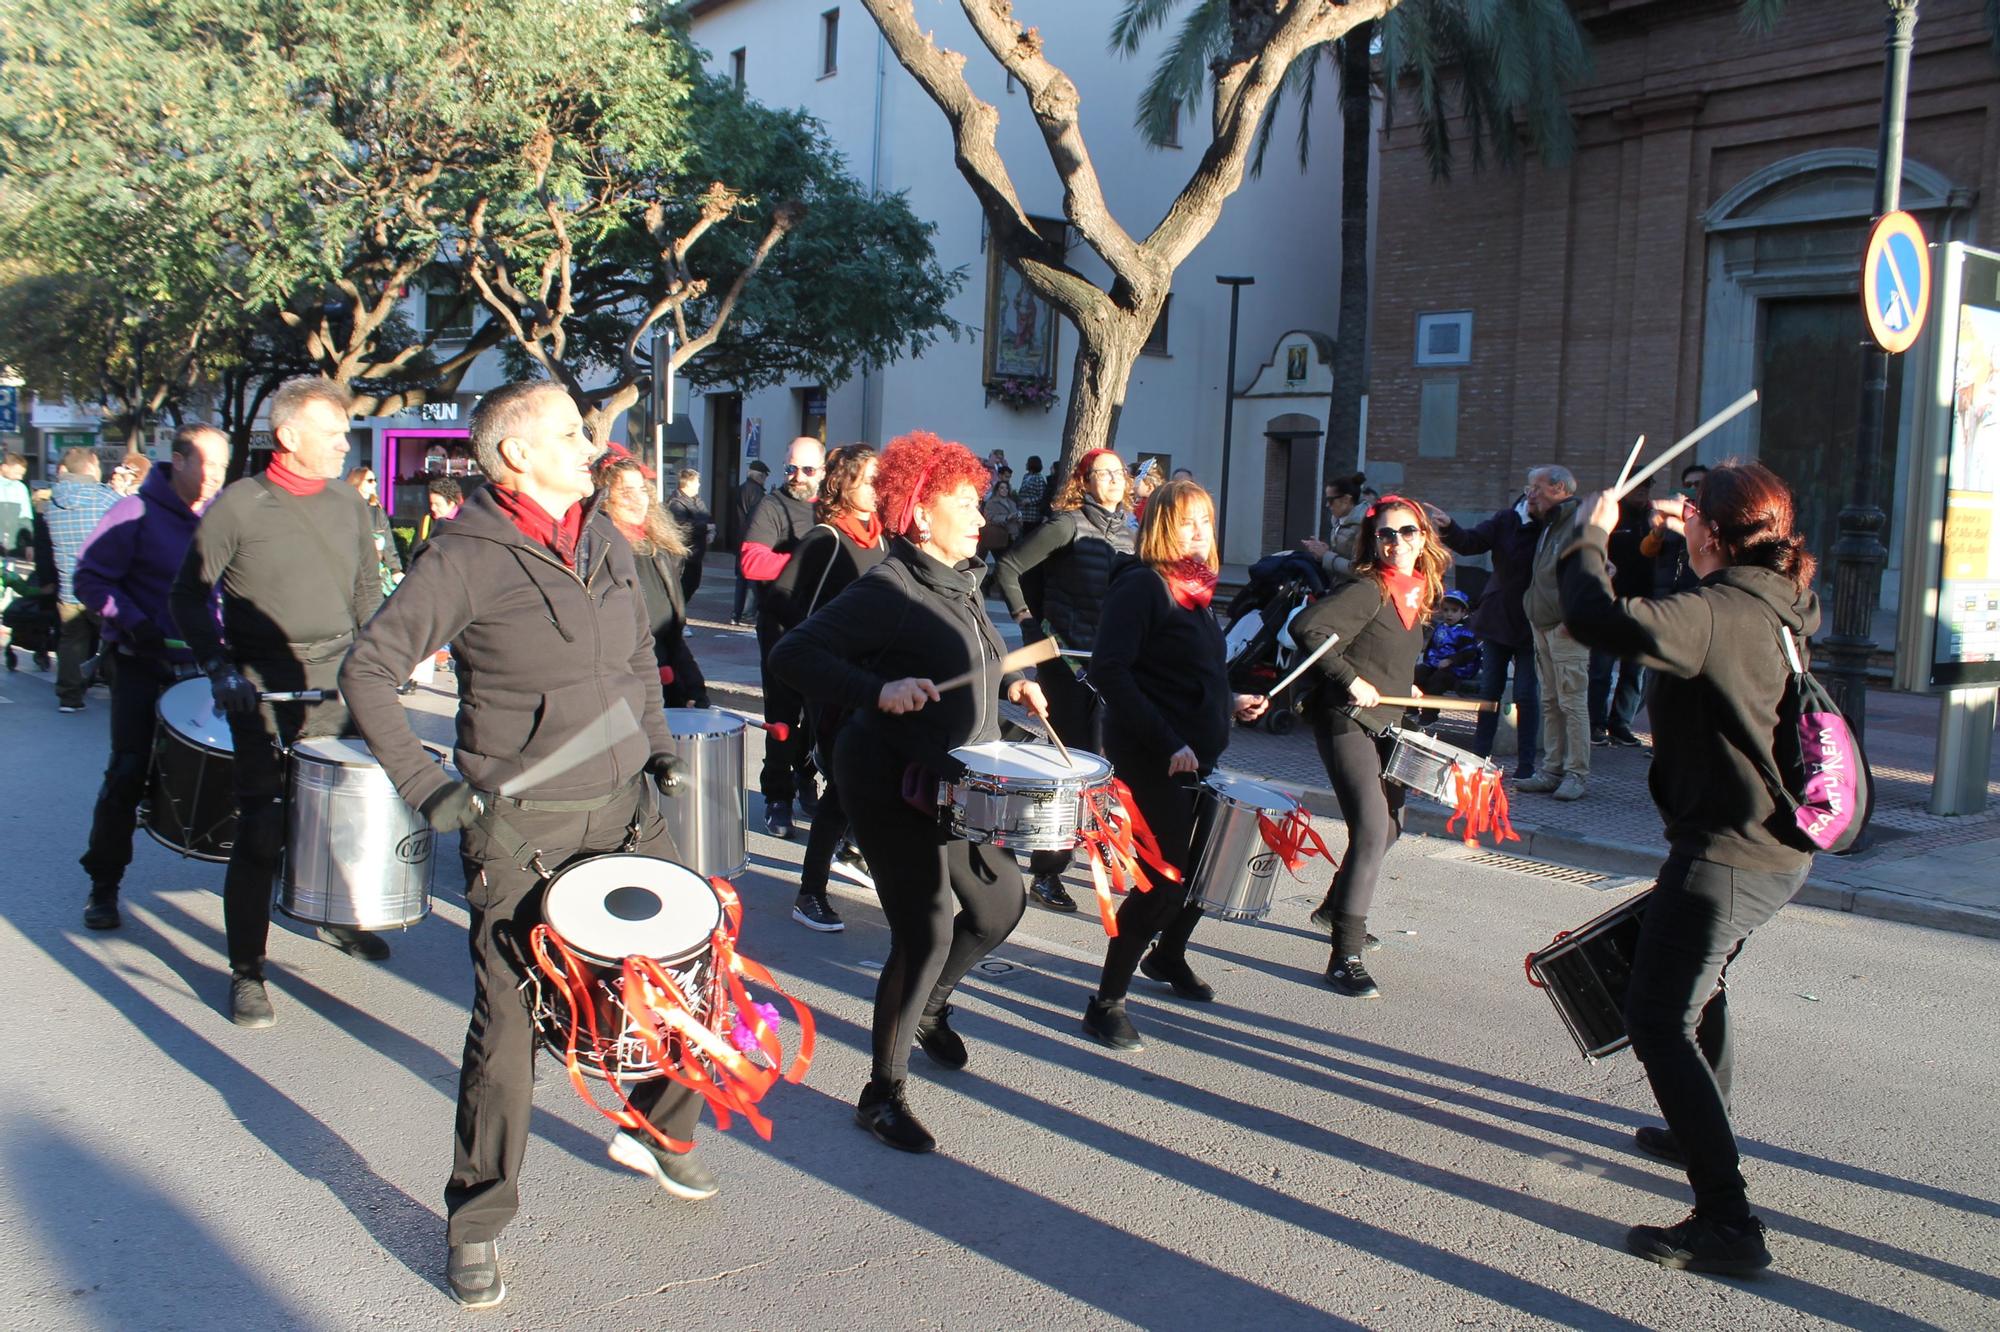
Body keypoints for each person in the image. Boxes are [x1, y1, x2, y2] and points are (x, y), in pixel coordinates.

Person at [340, 380, 702, 1310]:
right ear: (513, 457)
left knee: (683, 971)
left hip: (626, 806)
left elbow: (634, 664)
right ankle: (476, 1220)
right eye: (571, 436)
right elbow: (369, 671)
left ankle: (656, 1126)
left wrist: (658, 751)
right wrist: (428, 788)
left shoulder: (603, 537)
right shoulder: (464, 556)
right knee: (508, 1032)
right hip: (520, 827)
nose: (591, 448)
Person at [1558, 460, 1819, 1276]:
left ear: (1713, 531)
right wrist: (1688, 540)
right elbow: (1694, 622)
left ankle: (1729, 1222)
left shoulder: (1719, 611)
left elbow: (1599, 620)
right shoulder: (1774, 598)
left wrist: (1590, 537)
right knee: (1693, 990)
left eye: (1696, 516)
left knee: (1657, 1019)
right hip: (1760, 848)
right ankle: (1693, 1124)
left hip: (1729, 855)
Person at [770, 430, 1045, 1155]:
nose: (981, 518)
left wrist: (1010, 684)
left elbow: (974, 662)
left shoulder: (961, 578)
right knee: (924, 932)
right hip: (890, 780)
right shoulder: (889, 587)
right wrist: (876, 688)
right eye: (966, 504)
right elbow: (793, 653)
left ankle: (929, 1009)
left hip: (954, 778)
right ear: (922, 514)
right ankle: (880, 1094)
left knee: (998, 905)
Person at [169, 376, 388, 1028]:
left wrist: (375, 665)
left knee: (338, 823)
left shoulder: (350, 507)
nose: (345, 445)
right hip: (261, 688)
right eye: (333, 434)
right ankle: (247, 970)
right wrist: (217, 669)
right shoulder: (238, 506)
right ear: (290, 437)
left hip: (336, 684)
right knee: (262, 833)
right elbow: (188, 596)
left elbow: (366, 594)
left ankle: (336, 919)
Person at [1080, 479, 1267, 1051]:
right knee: (1164, 881)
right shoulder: (1142, 586)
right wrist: (1166, 741)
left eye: (1205, 522)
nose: (1199, 533)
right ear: (1161, 527)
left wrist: (1230, 699)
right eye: (1187, 523)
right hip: (1154, 758)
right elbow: (1110, 671)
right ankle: (1106, 1001)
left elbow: (1188, 672)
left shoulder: (1197, 591)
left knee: (1203, 872)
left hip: (1198, 756)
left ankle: (1169, 957)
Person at [1291, 494, 1450, 1000]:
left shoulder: (1417, 590)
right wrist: (1350, 678)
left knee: (1393, 824)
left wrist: (1408, 684)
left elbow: (1387, 652)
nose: (1397, 542)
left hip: (1387, 719)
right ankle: (1345, 955)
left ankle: (1335, 906)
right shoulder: (1367, 587)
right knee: (1371, 826)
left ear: (1423, 537)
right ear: (1372, 539)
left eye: (1406, 532)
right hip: (1344, 718)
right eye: (1386, 534)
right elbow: (1307, 628)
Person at [73, 425, 232, 929]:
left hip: (210, 666)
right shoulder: (133, 511)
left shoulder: (224, 516)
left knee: (250, 773)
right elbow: (89, 578)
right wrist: (132, 621)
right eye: (207, 465)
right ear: (178, 461)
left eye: (224, 468)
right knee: (126, 772)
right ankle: (103, 884)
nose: (215, 478)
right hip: (144, 663)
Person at [992, 449, 1133, 912]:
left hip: (1112, 662)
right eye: (1102, 474)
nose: (1112, 480)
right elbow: (1009, 568)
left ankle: (1098, 840)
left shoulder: (1132, 531)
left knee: (1109, 761)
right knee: (1075, 764)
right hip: (1067, 662)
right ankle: (1048, 871)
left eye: (1118, 472)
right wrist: (1029, 624)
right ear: (1084, 481)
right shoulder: (1066, 524)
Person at [771, 444, 888, 932]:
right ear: (842, 485)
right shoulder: (826, 539)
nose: (875, 489)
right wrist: (823, 651)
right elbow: (780, 603)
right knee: (842, 786)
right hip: (836, 686)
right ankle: (809, 893)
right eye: (865, 480)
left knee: (869, 781)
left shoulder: (883, 542)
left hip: (877, 681)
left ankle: (856, 852)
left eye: (879, 479)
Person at [1423, 484, 1545, 778]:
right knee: (1490, 689)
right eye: (1532, 494)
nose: (1535, 500)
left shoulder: (1552, 528)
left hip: (1533, 619)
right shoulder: (1505, 520)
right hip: (1498, 618)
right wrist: (1450, 527)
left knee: (1527, 693)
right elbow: (1471, 542)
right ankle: (1479, 756)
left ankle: (1526, 764)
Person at [741, 437, 825, 838]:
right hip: (780, 628)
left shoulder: (827, 509)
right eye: (791, 468)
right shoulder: (771, 505)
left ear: (822, 472)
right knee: (782, 716)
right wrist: (803, 561)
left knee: (818, 715)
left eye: (807, 470)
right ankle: (777, 796)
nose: (797, 477)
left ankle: (806, 780)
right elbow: (752, 562)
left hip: (822, 630)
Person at [600, 454, 708, 708]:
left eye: (642, 490)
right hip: (622, 690)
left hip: (663, 682)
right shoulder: (598, 553)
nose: (638, 499)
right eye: (626, 491)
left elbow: (671, 632)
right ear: (603, 498)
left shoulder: (656, 550)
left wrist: (692, 684)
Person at [1515, 466, 1590, 801]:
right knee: (1549, 700)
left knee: (1572, 701)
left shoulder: (1578, 523)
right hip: (1541, 622)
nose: (1530, 494)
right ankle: (1552, 768)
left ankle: (1576, 773)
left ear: (1559, 487)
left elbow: (1591, 573)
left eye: (1537, 487)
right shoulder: (1548, 523)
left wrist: (1573, 618)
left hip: (1565, 626)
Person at [46, 447, 119, 713]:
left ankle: (69, 697)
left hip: (68, 587)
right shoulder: (105, 499)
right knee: (113, 639)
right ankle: (120, 691)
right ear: (91, 466)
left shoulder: (51, 502)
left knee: (71, 643)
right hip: (102, 587)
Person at [1588, 481, 1656, 747]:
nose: (1643, 495)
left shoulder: (1652, 519)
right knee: (1601, 668)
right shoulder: (1613, 517)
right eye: (1638, 489)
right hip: (1611, 602)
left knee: (1634, 670)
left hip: (1643, 603)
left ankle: (1621, 724)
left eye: (1646, 490)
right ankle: (1596, 723)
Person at [1413, 589, 1480, 708]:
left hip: (1456, 669)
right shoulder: (1440, 627)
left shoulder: (1465, 631)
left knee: (1436, 681)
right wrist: (1428, 660)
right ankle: (1410, 710)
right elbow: (1432, 645)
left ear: (1463, 612)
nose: (1449, 614)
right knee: (1417, 675)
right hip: (1436, 664)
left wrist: (1450, 661)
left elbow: (1469, 653)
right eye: (1446, 610)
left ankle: (1429, 714)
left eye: (1454, 611)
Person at [345, 465, 404, 595]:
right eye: (370, 480)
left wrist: (395, 570)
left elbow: (388, 543)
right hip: (354, 572)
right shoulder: (345, 508)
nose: (375, 484)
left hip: (375, 572)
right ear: (357, 482)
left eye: (375, 480)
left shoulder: (376, 511)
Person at [1300, 472, 1366, 578]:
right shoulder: (1339, 520)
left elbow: (1359, 571)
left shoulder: (1364, 526)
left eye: (1330, 500)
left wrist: (1326, 555)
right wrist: (1325, 551)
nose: (1327, 505)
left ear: (1346, 499)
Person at [730, 459, 770, 624]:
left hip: (739, 538)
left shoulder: (739, 490)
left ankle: (736, 614)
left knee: (741, 579)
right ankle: (747, 614)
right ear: (760, 476)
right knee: (753, 578)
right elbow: (756, 518)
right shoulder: (758, 493)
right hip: (752, 539)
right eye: (765, 477)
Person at [666, 467, 712, 601]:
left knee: (693, 584)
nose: (699, 485)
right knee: (683, 587)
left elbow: (707, 517)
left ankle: (679, 611)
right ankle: (676, 615)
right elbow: (682, 526)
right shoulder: (677, 503)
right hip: (685, 554)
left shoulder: (696, 500)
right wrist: (705, 527)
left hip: (696, 553)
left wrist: (712, 529)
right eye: (697, 482)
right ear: (689, 483)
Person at [413, 475, 464, 556]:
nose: (432, 508)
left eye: (437, 504)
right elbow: (414, 553)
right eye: (431, 503)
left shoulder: (464, 522)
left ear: (451, 503)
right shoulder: (427, 521)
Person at [0, 451, 33, 555]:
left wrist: (29, 544)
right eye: (17, 473)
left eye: (22, 474)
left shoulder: (20, 488)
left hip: (13, 546)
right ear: (4, 467)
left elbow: (25, 518)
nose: (20, 477)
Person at [1015, 454, 1048, 531]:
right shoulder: (1026, 476)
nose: (1026, 464)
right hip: (1023, 513)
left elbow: (1042, 495)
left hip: (1033, 514)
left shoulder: (1039, 478)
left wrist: (1029, 501)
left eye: (1028, 462)